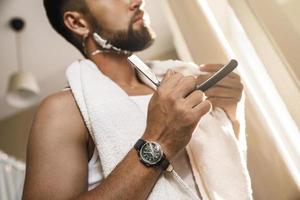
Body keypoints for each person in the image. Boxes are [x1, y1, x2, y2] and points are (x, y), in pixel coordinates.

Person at [23, 0, 250, 199]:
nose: (136, 1)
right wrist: (160, 141)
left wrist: (230, 112)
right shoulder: (63, 109)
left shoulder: (180, 83)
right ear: (78, 23)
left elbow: (223, 176)